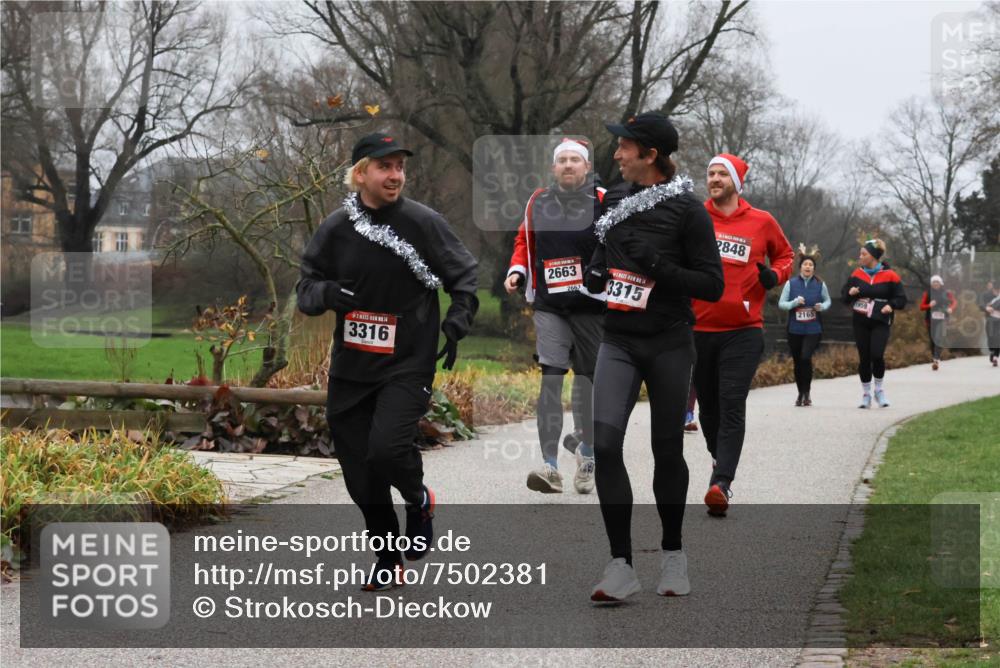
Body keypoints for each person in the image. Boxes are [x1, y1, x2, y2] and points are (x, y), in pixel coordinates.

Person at [297, 133, 479, 591]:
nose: (396, 175)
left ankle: (418, 500)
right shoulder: (336, 228)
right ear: (361, 173)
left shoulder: (423, 222)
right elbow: (306, 288)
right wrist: (327, 293)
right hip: (351, 368)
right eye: (385, 166)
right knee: (360, 475)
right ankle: (387, 556)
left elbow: (464, 274)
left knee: (387, 449)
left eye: (400, 166)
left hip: (407, 361)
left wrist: (458, 318)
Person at [584, 112, 724, 601]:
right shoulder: (615, 200)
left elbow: (711, 285)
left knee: (667, 449)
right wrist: (596, 271)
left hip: (668, 340)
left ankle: (673, 554)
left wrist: (655, 264)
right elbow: (603, 252)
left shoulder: (689, 211)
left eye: (625, 146)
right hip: (618, 339)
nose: (617, 154)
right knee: (604, 446)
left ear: (650, 154)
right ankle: (620, 565)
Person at [691, 153, 794, 517]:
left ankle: (721, 483)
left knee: (731, 401)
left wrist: (774, 276)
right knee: (708, 410)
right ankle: (721, 458)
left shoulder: (761, 221)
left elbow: (786, 256)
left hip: (743, 331)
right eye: (711, 173)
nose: (714, 179)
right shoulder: (695, 217)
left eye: (722, 174)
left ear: (736, 182)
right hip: (698, 329)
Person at [505, 138, 607, 495]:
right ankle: (549, 466)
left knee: (587, 381)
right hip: (550, 303)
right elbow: (524, 240)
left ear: (586, 167)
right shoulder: (538, 201)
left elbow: (618, 244)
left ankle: (587, 453)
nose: (567, 165)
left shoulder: (603, 200)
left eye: (574, 160)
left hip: (591, 305)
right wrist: (517, 270)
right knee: (551, 377)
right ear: (553, 167)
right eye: (561, 160)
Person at [841, 238, 906, 409]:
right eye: (860, 254)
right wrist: (850, 293)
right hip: (860, 322)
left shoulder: (890, 275)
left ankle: (878, 390)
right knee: (864, 358)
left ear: (873, 256)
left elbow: (901, 299)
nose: (860, 257)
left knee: (877, 355)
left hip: (880, 321)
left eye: (863, 254)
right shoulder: (856, 274)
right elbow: (844, 297)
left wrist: (891, 305)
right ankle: (866, 394)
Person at [777, 245, 832, 406]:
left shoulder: (820, 284)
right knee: (797, 361)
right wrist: (794, 303)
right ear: (800, 267)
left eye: (811, 265)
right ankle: (800, 393)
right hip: (794, 329)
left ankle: (807, 393)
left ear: (814, 268)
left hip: (813, 328)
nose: (808, 267)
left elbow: (828, 301)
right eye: (805, 264)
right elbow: (781, 304)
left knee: (805, 357)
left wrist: (822, 307)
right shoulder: (791, 284)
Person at [919, 275, 956, 370]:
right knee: (932, 340)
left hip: (942, 319)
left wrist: (951, 308)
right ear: (931, 284)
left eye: (937, 282)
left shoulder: (947, 293)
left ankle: (936, 359)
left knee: (938, 338)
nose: (935, 284)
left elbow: (954, 302)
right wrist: (929, 305)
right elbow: (921, 307)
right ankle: (935, 358)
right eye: (934, 282)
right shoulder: (928, 293)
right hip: (930, 320)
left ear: (940, 283)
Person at [984, 283, 1000, 367]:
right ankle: (993, 352)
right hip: (991, 321)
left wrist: (992, 307)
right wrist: (986, 308)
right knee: (991, 338)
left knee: (997, 338)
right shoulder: (990, 297)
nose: (995, 291)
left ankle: (995, 358)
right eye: (994, 290)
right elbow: (982, 305)